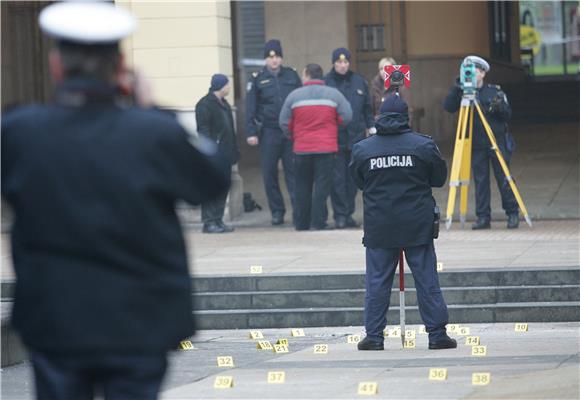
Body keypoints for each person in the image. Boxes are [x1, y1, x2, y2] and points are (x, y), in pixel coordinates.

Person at [1, 3, 230, 399]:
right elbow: (212, 177)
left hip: (56, 317)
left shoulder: (22, 132)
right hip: (137, 319)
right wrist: (153, 108)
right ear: (120, 65)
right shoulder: (153, 132)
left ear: (57, 66)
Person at [350, 95, 456, 351]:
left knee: (377, 281)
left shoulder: (364, 149)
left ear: (379, 116)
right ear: (406, 116)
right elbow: (438, 178)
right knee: (426, 278)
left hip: (380, 226)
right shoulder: (423, 146)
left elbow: (359, 181)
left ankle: (374, 337)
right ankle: (437, 334)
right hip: (416, 224)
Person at [443, 55, 519, 230]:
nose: (469, 73)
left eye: (473, 70)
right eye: (466, 70)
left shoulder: (494, 91)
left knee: (504, 178)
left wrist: (501, 108)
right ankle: (483, 217)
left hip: (497, 141)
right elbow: (448, 107)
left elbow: (508, 115)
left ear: (483, 73)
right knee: (481, 182)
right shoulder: (462, 92)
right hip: (476, 143)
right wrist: (457, 87)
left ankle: (512, 213)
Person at [279, 63, 352, 230]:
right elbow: (347, 116)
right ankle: (318, 222)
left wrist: (294, 136)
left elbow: (283, 122)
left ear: (306, 74)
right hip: (326, 148)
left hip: (302, 148)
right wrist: (334, 126)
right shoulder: (334, 95)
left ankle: (301, 223)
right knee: (322, 186)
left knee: (301, 186)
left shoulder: (294, 96)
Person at [245, 39, 302, 226]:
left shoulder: (292, 76)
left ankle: (298, 211)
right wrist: (251, 132)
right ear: (265, 60)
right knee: (269, 174)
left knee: (293, 173)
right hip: (268, 132)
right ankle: (277, 211)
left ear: (281, 58)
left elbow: (300, 102)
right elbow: (250, 107)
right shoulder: (258, 79)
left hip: (289, 132)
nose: (274, 60)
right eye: (271, 57)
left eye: (277, 56)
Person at [324, 47, 373, 229]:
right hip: (335, 137)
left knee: (352, 179)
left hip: (356, 137)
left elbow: (367, 107)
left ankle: (349, 213)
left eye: (345, 62)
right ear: (334, 63)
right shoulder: (326, 82)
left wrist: (371, 127)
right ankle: (340, 215)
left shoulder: (359, 81)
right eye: (339, 62)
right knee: (337, 179)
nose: (342, 66)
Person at [195, 74, 239, 233]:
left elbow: (230, 132)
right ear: (220, 86)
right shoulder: (205, 105)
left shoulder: (225, 104)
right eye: (227, 85)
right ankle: (209, 222)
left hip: (225, 154)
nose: (229, 87)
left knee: (222, 188)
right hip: (213, 155)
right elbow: (203, 132)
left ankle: (218, 220)